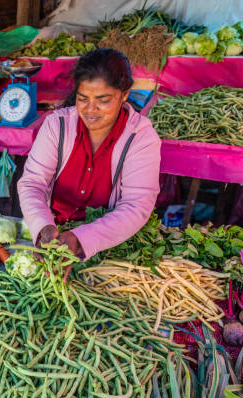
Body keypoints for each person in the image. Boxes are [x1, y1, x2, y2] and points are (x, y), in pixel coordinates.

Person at [17, 48, 161, 280]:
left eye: (103, 101)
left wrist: (81, 238)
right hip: (52, 235)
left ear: (124, 94)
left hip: (105, 244)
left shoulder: (140, 138)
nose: (90, 110)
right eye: (83, 99)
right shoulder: (58, 125)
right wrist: (44, 227)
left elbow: (136, 205)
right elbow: (33, 183)